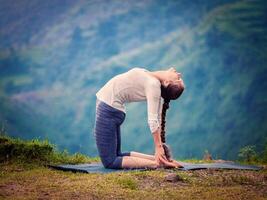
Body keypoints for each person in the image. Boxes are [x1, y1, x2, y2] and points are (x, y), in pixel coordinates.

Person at [93, 67, 185, 169]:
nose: (179, 74)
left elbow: (154, 120)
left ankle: (158, 164)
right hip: (112, 109)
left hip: (109, 110)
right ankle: (161, 161)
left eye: (178, 79)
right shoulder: (153, 80)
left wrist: (159, 146)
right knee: (117, 155)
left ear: (167, 82)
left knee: (110, 162)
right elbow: (157, 119)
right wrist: (160, 150)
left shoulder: (153, 85)